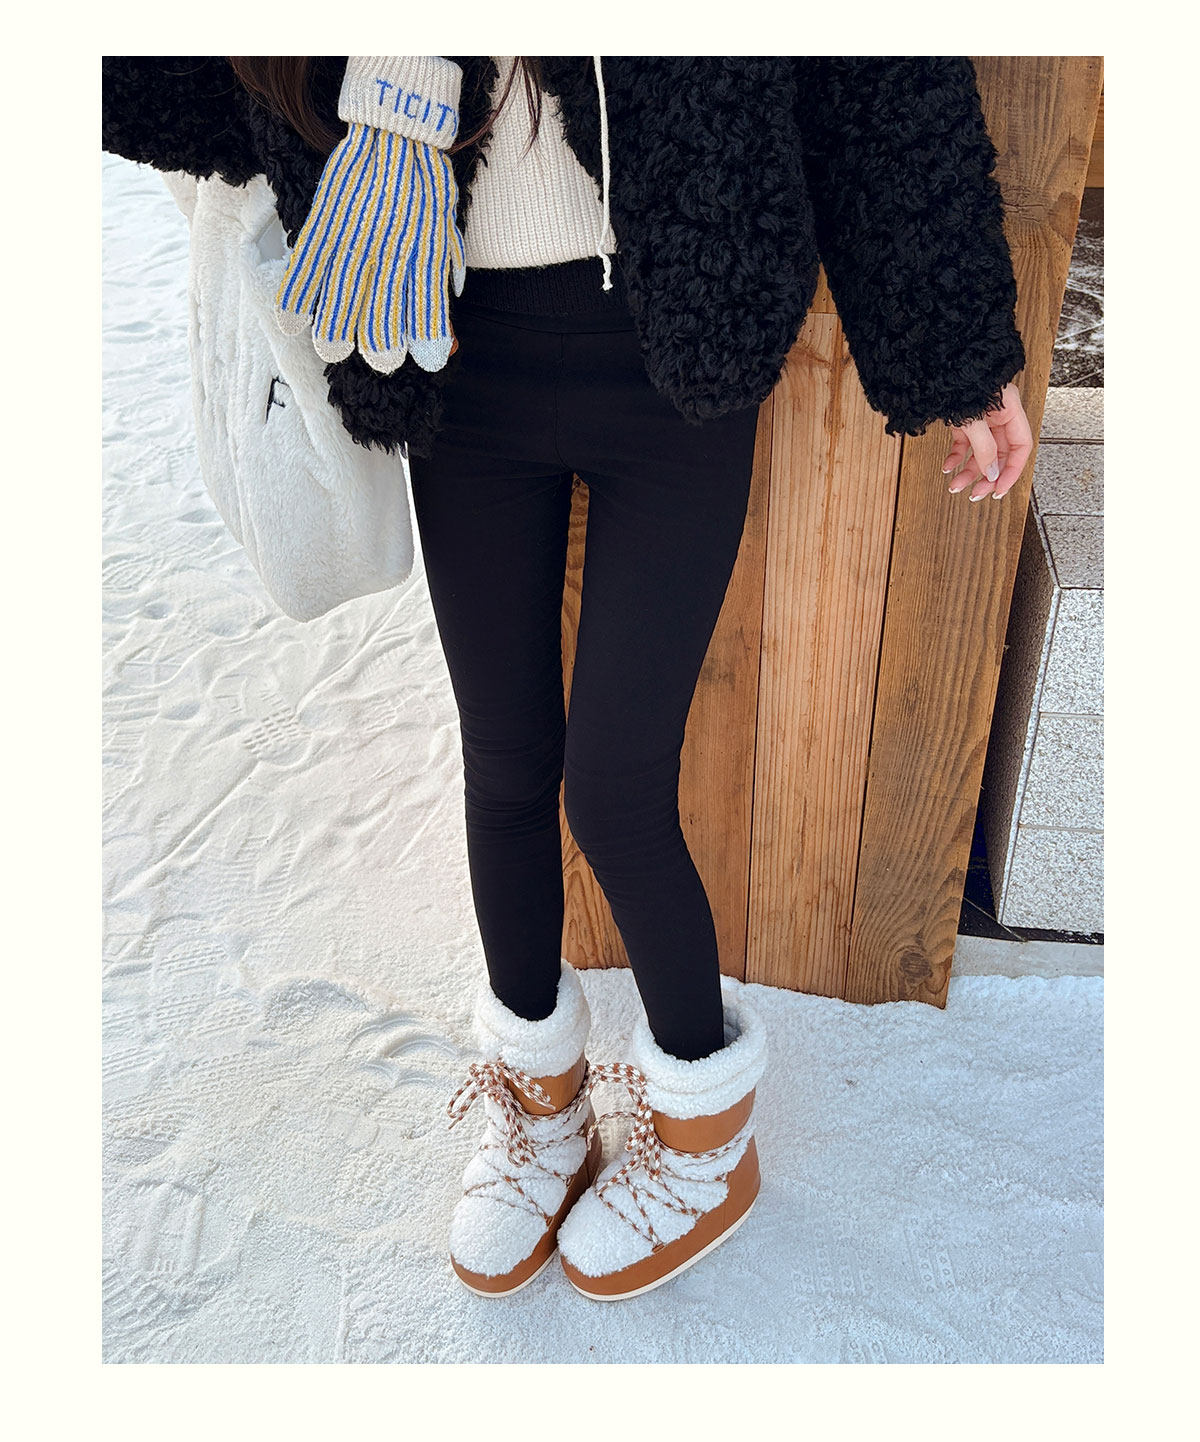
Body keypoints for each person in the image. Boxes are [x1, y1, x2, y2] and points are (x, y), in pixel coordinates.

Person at [101, 55, 1034, 1303]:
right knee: (503, 762)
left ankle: (705, 1139)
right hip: (454, 344)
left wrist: (956, 350)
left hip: (675, 347)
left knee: (614, 789)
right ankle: (539, 1113)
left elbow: (870, 74)